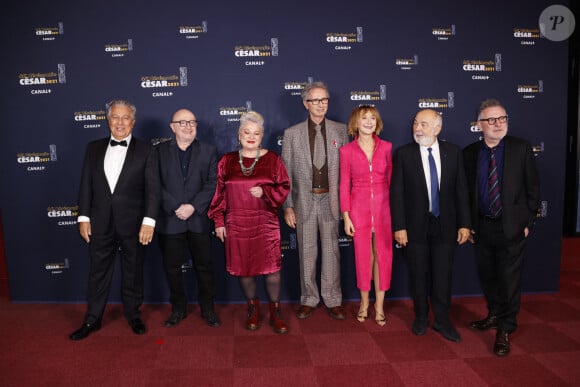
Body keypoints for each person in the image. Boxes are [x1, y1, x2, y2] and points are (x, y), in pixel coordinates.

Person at [70, 99, 160, 340]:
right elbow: (86, 185)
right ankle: (92, 319)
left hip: (134, 223)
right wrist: (84, 217)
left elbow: (153, 190)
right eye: (115, 117)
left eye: (125, 118)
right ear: (108, 120)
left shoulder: (147, 150)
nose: (120, 122)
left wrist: (149, 221)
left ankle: (133, 315)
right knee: (98, 272)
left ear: (133, 122)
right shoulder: (93, 148)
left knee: (133, 271)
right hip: (99, 221)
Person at [463, 98, 540, 356]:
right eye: (491, 120)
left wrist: (526, 223)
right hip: (483, 228)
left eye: (502, 118)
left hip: (512, 228)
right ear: (479, 125)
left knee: (509, 281)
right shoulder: (470, 153)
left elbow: (533, 190)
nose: (498, 124)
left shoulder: (521, 148)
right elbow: (466, 193)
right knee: (489, 277)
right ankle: (494, 314)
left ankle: (506, 328)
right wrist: (469, 225)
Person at [391, 108, 470, 342]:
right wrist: (399, 226)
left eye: (424, 124)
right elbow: (397, 193)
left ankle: (443, 322)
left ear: (438, 128)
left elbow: (462, 191)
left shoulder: (453, 152)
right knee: (418, 275)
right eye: (416, 123)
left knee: (443, 277)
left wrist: (465, 224)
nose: (418, 128)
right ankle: (421, 318)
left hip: (445, 227)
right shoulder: (404, 154)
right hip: (414, 228)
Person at [208, 111, 290, 334]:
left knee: (272, 270)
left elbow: (284, 188)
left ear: (262, 135)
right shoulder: (227, 160)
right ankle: (253, 308)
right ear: (239, 134)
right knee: (245, 270)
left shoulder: (273, 159)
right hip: (236, 222)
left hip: (266, 223)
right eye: (247, 132)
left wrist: (265, 191)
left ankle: (275, 310)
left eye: (256, 133)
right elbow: (219, 194)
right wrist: (218, 221)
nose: (251, 137)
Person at [281, 81, 349, 320]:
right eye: (316, 100)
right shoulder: (291, 134)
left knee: (332, 252)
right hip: (304, 202)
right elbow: (285, 174)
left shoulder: (342, 131)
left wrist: (347, 205)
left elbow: (348, 171)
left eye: (325, 100)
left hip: (331, 200)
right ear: (305, 104)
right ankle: (309, 298)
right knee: (307, 252)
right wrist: (288, 206)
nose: (321, 104)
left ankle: (332, 299)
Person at [156, 109, 221, 328]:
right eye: (182, 122)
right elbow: (154, 185)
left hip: (198, 219)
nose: (188, 126)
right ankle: (178, 309)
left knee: (205, 267)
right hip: (170, 220)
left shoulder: (209, 151)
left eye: (192, 122)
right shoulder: (157, 152)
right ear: (172, 126)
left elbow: (213, 183)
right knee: (172, 268)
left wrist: (193, 206)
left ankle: (208, 309)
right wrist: (176, 207)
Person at [339, 105, 393, 326]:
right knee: (364, 258)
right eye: (364, 118)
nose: (369, 122)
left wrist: (394, 213)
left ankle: (379, 306)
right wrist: (346, 216)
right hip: (358, 210)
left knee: (382, 258)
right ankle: (364, 303)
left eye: (373, 118)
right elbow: (344, 185)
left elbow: (391, 181)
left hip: (384, 210)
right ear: (356, 123)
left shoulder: (388, 147)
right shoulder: (346, 151)